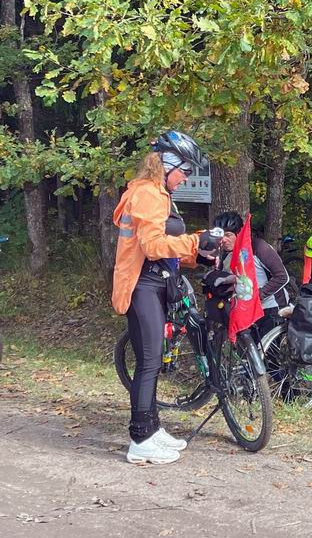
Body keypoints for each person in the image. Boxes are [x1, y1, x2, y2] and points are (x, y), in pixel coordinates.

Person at [112, 130, 221, 465]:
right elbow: (152, 246)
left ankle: (152, 429)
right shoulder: (147, 193)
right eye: (184, 170)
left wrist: (197, 254)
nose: (186, 177)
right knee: (147, 363)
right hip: (143, 285)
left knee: (153, 362)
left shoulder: (160, 194)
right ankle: (139, 438)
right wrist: (194, 241)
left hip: (158, 282)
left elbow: (168, 251)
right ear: (168, 164)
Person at [214, 211, 290, 338]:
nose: (223, 240)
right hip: (246, 309)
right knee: (247, 352)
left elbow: (282, 277)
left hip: (271, 307)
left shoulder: (259, 247)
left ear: (239, 234)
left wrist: (258, 295)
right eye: (221, 235)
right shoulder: (226, 254)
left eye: (228, 235)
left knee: (267, 356)